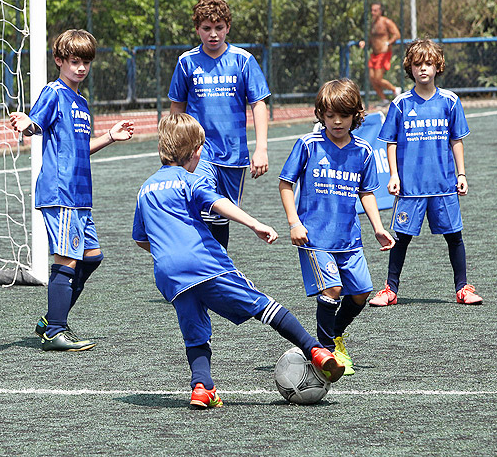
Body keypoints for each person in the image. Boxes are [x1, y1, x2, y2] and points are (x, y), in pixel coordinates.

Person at [133, 113, 344, 409]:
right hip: (205, 265)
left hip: (169, 275)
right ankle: (316, 350)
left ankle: (201, 388)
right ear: (195, 152)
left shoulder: (145, 189)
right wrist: (254, 224)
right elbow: (218, 202)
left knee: (195, 331)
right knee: (263, 306)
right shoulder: (187, 180)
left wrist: (170, 251)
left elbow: (142, 239)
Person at [10, 29, 135, 352]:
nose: (80, 68)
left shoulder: (81, 102)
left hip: (80, 194)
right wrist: (27, 123)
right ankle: (54, 330)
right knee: (66, 259)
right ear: (59, 61)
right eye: (74, 61)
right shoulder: (53, 92)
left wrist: (109, 136)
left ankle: (53, 316)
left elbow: (79, 148)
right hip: (60, 191)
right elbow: (35, 124)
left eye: (86, 62)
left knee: (92, 257)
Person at [279, 79, 395, 375]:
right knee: (333, 288)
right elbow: (286, 184)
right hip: (314, 237)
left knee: (361, 293)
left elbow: (367, 193)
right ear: (321, 114)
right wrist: (294, 223)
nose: (337, 121)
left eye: (343, 115)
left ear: (356, 115)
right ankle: (327, 350)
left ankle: (333, 333)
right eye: (330, 115)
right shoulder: (308, 145)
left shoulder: (364, 150)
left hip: (349, 239)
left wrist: (378, 228)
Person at [369, 39, 483, 307]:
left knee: (454, 236)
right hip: (411, 187)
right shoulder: (400, 104)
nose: (423, 69)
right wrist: (394, 175)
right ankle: (390, 290)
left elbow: (456, 140)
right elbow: (391, 142)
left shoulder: (450, 102)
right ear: (410, 67)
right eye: (417, 64)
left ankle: (463, 288)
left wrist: (462, 175)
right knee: (401, 238)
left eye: (428, 63)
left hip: (444, 185)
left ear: (437, 66)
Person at [168, 0, 270, 250]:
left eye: (219, 28)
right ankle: (201, 268)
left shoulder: (243, 60)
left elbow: (258, 103)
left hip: (234, 154)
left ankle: (217, 269)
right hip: (198, 152)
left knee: (221, 215)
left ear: (228, 28)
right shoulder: (186, 62)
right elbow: (177, 107)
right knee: (202, 206)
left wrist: (261, 148)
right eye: (206, 28)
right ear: (197, 29)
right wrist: (172, 145)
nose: (213, 34)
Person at [359, 2, 401, 106]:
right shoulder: (373, 23)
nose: (372, 12)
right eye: (372, 10)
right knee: (372, 79)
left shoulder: (386, 22)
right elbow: (372, 38)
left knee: (378, 78)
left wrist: (388, 43)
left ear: (380, 11)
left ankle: (395, 89)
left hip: (383, 53)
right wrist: (365, 42)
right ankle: (384, 99)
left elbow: (397, 34)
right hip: (374, 54)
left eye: (375, 10)